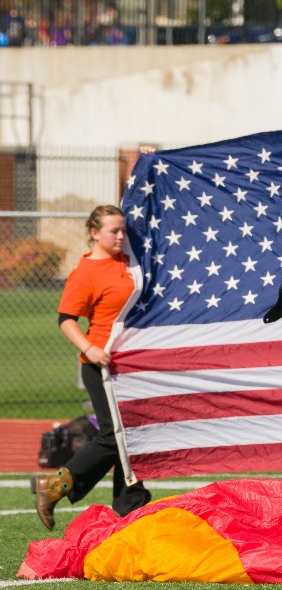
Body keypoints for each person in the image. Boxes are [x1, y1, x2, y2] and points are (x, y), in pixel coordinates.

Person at [35, 205, 152, 529]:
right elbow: (66, 319)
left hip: (132, 365)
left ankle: (130, 506)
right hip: (101, 365)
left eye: (122, 230)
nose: (120, 236)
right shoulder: (86, 271)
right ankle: (54, 487)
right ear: (94, 233)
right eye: (113, 231)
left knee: (132, 437)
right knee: (113, 438)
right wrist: (90, 348)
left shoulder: (129, 261)